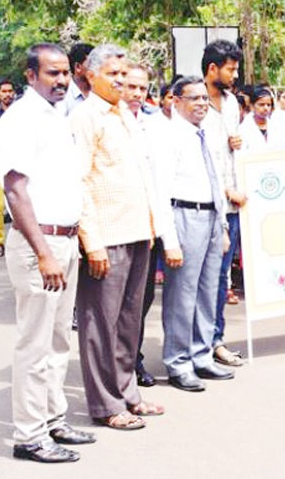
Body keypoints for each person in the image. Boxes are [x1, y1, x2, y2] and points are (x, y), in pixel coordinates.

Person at [0, 43, 96, 464]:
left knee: (57, 340)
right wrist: (43, 253)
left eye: (64, 73)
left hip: (65, 240)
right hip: (41, 243)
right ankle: (29, 435)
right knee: (35, 344)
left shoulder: (57, 116)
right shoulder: (20, 118)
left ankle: (53, 418)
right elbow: (16, 190)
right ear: (30, 74)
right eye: (51, 73)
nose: (61, 80)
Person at [71, 44, 163, 430]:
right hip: (106, 235)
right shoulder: (84, 117)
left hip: (138, 231)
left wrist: (154, 227)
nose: (121, 82)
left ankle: (127, 393)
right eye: (113, 74)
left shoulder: (125, 114)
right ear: (91, 75)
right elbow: (80, 181)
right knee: (100, 324)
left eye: (124, 75)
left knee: (129, 321)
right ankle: (106, 405)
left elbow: (142, 173)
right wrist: (91, 241)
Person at [160, 76, 236, 391]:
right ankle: (178, 362)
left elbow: (215, 180)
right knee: (182, 294)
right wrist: (170, 240)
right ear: (176, 101)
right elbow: (161, 190)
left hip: (211, 218)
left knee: (207, 291)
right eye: (194, 98)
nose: (202, 104)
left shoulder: (206, 134)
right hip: (184, 215)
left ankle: (201, 355)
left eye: (205, 98)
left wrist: (222, 226)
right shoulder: (168, 136)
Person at [122, 63, 171, 387]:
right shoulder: (104, 120)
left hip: (149, 226)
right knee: (117, 306)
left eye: (143, 89)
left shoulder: (153, 125)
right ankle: (116, 370)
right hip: (116, 228)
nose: (138, 94)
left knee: (142, 301)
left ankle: (133, 360)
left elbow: (159, 181)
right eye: (131, 87)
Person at [201, 39, 247, 368]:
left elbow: (231, 151)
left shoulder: (232, 103)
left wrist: (238, 144)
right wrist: (226, 191)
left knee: (222, 279)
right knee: (203, 278)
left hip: (232, 207)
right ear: (212, 68)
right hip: (205, 206)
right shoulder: (194, 102)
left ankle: (215, 340)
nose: (236, 74)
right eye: (231, 68)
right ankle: (199, 344)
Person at [0, 79, 15, 257]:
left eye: (10, 91)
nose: (7, 94)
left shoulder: (19, 113)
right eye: (4, 91)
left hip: (18, 164)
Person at [60, 42, 93, 116]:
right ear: (78, 67)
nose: (96, 67)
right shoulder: (63, 96)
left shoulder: (100, 92)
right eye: (92, 63)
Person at [239, 87, 274, 152]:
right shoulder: (243, 129)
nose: (266, 108)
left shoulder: (277, 126)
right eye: (261, 105)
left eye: (268, 105)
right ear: (252, 106)